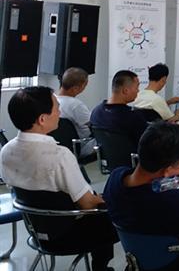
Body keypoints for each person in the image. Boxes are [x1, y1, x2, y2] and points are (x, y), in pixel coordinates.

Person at [1, 87, 117, 271]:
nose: (60, 113)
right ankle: (101, 267)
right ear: (42, 119)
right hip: (68, 235)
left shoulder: (6, 151)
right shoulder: (59, 155)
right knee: (113, 211)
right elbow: (88, 204)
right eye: (56, 108)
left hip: (37, 233)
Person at [104, 122, 179, 271]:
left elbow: (146, 209)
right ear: (168, 170)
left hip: (143, 260)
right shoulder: (171, 202)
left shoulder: (115, 178)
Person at [90, 70, 147, 144]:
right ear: (126, 91)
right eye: (137, 87)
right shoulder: (134, 117)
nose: (138, 91)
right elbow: (146, 143)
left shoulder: (96, 111)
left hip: (104, 152)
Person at [55, 67, 96, 157]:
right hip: (78, 146)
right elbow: (90, 128)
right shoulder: (76, 105)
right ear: (76, 88)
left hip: (56, 146)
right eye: (84, 86)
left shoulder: (52, 100)